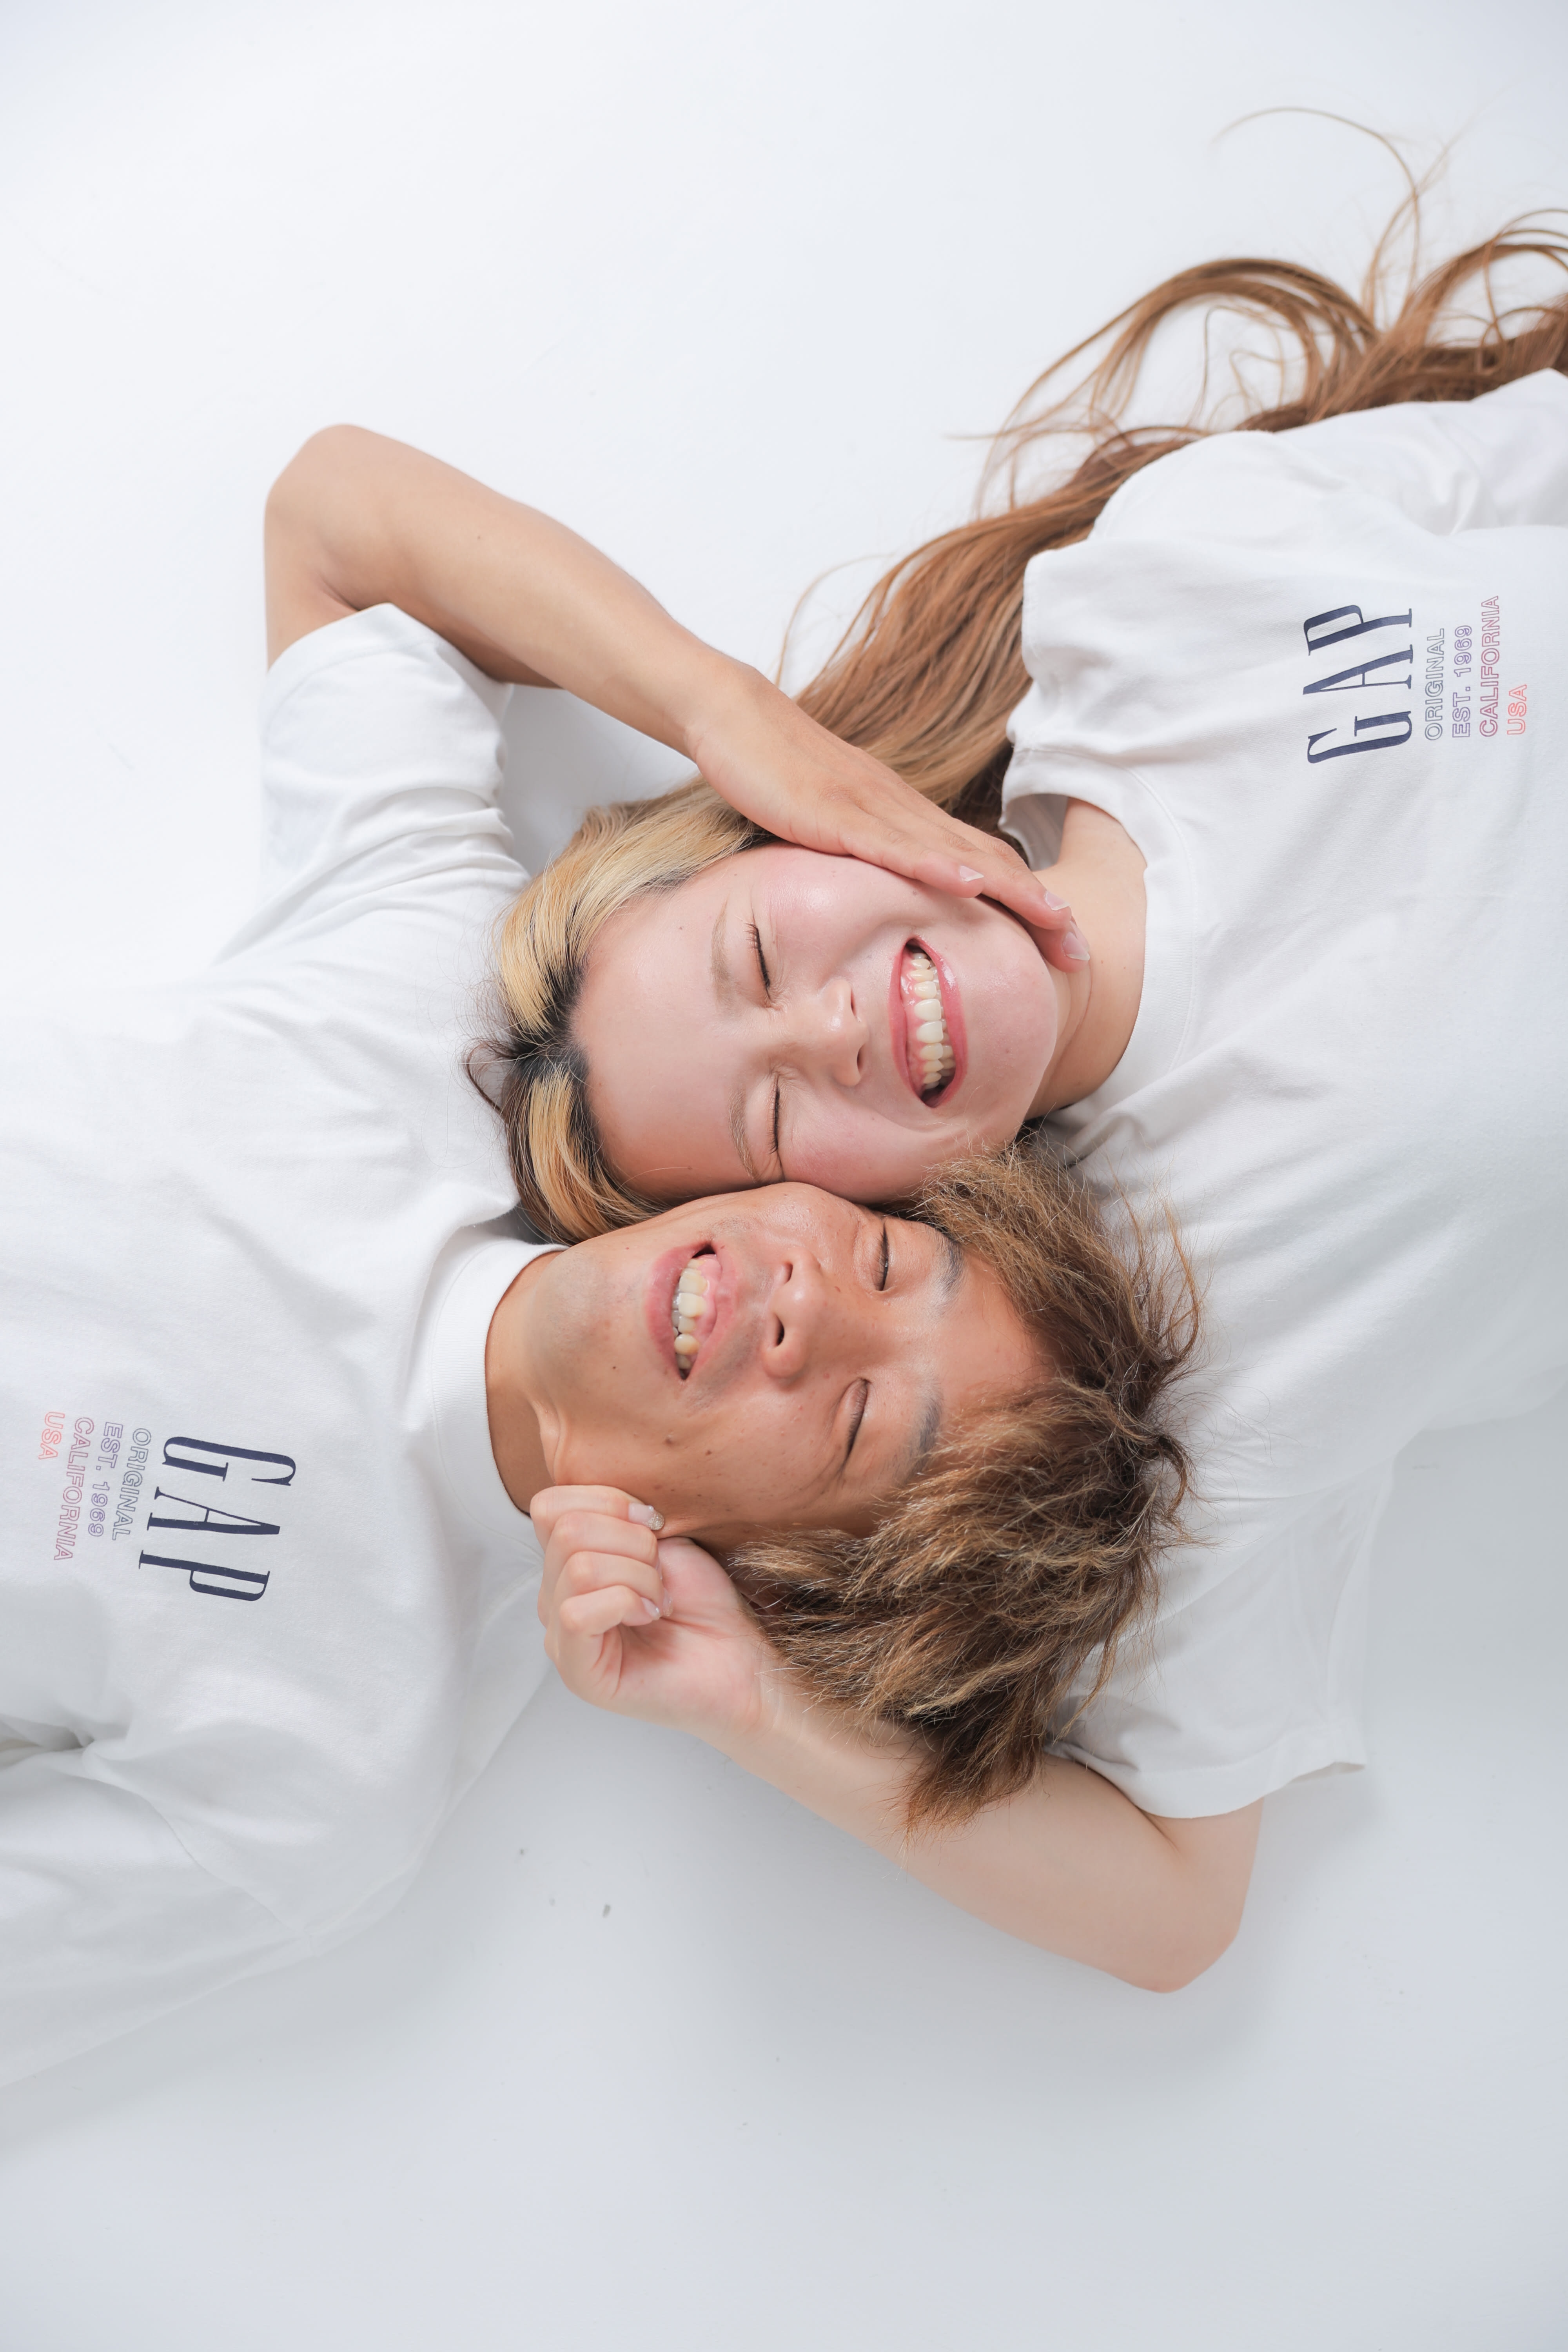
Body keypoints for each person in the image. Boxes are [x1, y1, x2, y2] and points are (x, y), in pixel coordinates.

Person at [330, 221, 1568, 1956]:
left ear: (794, 827)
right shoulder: (1195, 1315)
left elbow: (341, 511)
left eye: (758, 956)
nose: (828, 1028)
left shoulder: (1163, 586)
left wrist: (720, 710)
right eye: (772, 1119)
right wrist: (748, 1704)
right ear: (857, 1212)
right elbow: (1172, 1909)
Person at [1, 477, 1217, 2091]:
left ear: (772, 1571)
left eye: (858, 1419)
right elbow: (340, 528)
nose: (803, 1305)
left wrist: (754, 1709)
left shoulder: (330, 1776)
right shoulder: (425, 1024)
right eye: (881, 1255)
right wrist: (729, 715)